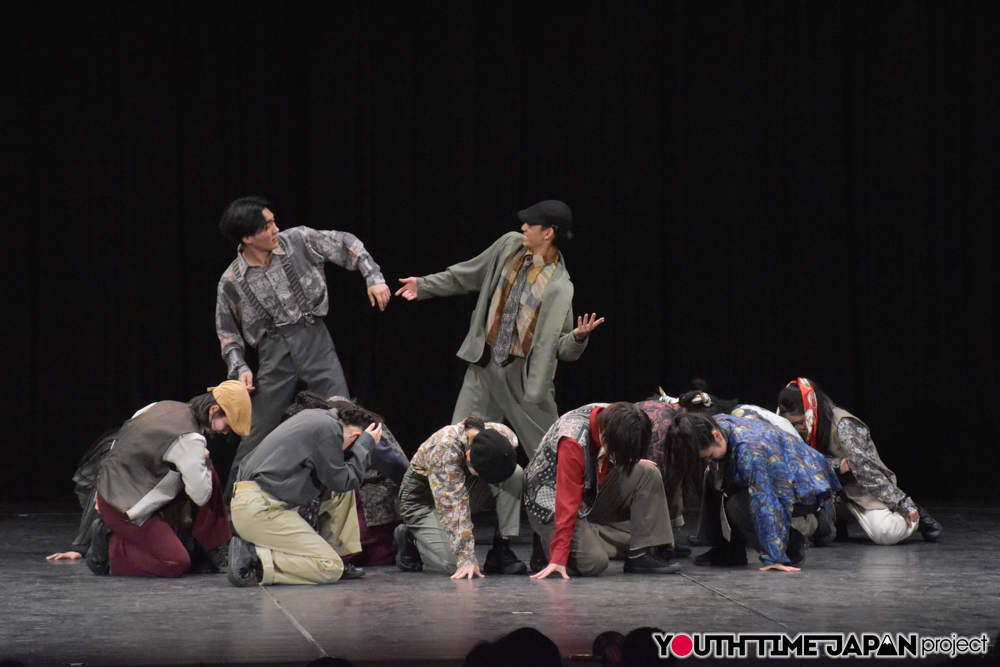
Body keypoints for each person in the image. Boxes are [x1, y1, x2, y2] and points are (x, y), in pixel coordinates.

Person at [395, 200, 603, 458]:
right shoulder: (508, 246)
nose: (523, 227)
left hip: (523, 379)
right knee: (458, 443)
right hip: (484, 365)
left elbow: (560, 348)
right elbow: (467, 274)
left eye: (531, 224)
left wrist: (577, 338)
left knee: (551, 451)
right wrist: (425, 285)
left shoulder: (559, 287)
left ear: (548, 233)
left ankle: (570, 486)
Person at [215, 196, 391, 494]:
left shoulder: (298, 240)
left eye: (273, 221)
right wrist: (240, 367)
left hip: (313, 339)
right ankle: (235, 506)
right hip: (273, 353)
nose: (275, 229)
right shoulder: (232, 280)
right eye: (266, 226)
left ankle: (363, 501)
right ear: (247, 238)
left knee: (344, 415)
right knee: (256, 432)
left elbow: (346, 242)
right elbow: (227, 333)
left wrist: (373, 276)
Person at [84, 381, 251, 577]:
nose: (226, 432)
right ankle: (112, 545)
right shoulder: (189, 439)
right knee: (175, 562)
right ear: (214, 410)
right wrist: (204, 461)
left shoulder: (162, 406)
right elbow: (201, 496)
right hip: (123, 508)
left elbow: (119, 443)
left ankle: (213, 547)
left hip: (122, 491)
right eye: (228, 424)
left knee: (208, 475)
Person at [227, 402, 382, 585]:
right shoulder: (329, 430)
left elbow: (339, 483)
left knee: (342, 493)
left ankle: (336, 554)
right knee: (330, 567)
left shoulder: (317, 418)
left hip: (255, 502)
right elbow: (345, 480)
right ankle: (254, 559)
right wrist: (364, 447)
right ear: (355, 436)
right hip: (260, 508)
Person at [666, 412, 839, 572]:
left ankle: (793, 544)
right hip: (782, 478)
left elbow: (767, 501)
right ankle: (730, 550)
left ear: (716, 436)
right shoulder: (714, 425)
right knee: (713, 474)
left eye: (709, 455)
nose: (708, 459)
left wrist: (775, 556)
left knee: (738, 506)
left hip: (807, 488)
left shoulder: (751, 451)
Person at [777, 377, 942, 544]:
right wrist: (836, 465)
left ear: (811, 410)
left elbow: (866, 470)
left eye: (801, 421)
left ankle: (914, 515)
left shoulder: (843, 424)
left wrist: (902, 502)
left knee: (886, 533)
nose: (800, 427)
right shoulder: (795, 429)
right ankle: (834, 524)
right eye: (794, 424)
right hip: (829, 494)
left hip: (861, 489)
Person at [525, 402, 681, 578]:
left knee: (647, 472)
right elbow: (567, 501)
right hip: (552, 502)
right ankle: (547, 544)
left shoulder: (615, 417)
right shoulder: (572, 441)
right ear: (607, 436)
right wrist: (559, 556)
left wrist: (628, 460)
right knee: (594, 563)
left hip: (590, 487)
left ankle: (640, 553)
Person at [286, 391, 410, 567]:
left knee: (352, 553)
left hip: (372, 503)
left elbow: (396, 465)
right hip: (345, 486)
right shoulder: (324, 421)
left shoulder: (351, 424)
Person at [395, 415, 526, 578]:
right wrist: (466, 558)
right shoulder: (445, 450)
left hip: (460, 486)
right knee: (454, 564)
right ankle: (412, 540)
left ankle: (501, 550)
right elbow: (453, 507)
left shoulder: (503, 436)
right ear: (468, 455)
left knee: (514, 474)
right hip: (422, 501)